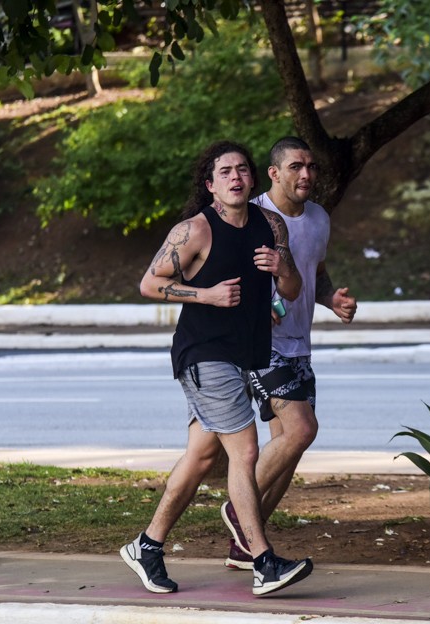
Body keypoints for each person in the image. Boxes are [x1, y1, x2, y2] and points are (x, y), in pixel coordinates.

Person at [120, 140, 314, 596]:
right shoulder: (195, 231)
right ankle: (263, 561)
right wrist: (204, 295)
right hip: (203, 354)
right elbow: (150, 283)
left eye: (241, 170)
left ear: (253, 178)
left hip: (244, 354)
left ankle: (146, 546)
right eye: (224, 171)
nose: (235, 177)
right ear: (210, 185)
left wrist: (280, 265)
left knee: (202, 457)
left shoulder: (270, 224)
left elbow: (291, 288)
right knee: (245, 451)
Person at [221, 136, 358, 570]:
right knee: (302, 430)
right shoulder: (252, 215)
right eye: (296, 166)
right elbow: (223, 272)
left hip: (300, 345)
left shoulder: (319, 217)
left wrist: (330, 297)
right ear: (275, 173)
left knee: (289, 447)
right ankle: (237, 510)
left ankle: (245, 546)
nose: (307, 175)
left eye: (311, 167)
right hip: (260, 345)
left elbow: (315, 268)